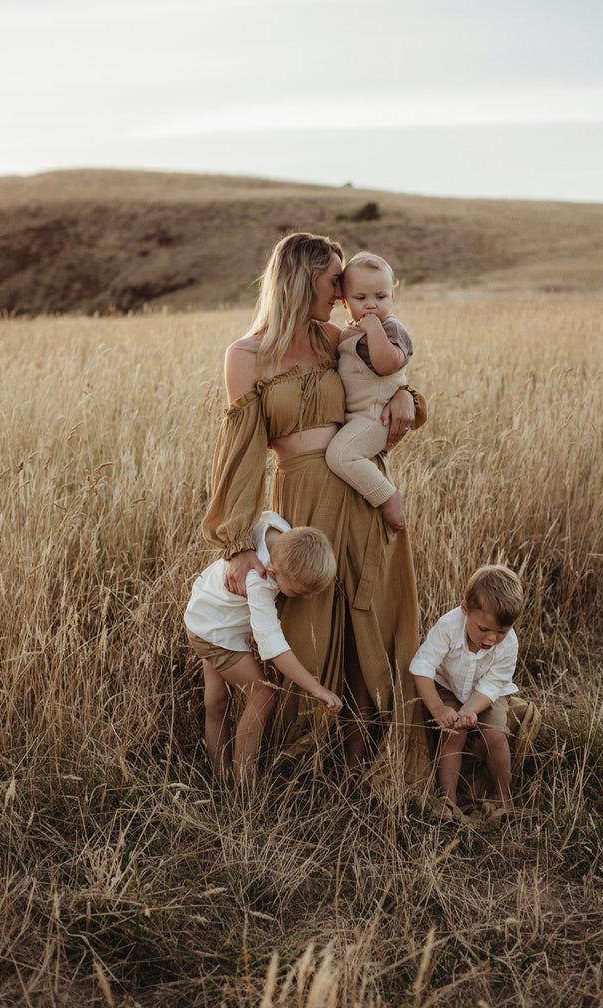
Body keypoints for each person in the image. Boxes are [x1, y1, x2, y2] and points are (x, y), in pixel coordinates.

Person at [201, 232, 432, 784]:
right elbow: (241, 457)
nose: (344, 293)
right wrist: (236, 545)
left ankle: (363, 762)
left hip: (363, 494)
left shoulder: (337, 338)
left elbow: (385, 380)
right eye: (334, 281)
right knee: (308, 625)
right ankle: (303, 762)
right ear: (303, 280)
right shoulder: (246, 356)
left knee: (368, 619)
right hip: (303, 507)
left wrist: (407, 397)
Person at [185, 511, 341, 782]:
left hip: (204, 612)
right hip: (216, 633)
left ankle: (220, 779)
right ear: (273, 572)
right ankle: (243, 787)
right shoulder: (259, 580)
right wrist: (316, 688)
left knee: (216, 700)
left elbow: (260, 515)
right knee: (263, 696)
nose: (307, 597)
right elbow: (273, 647)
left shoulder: (275, 527)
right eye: (297, 592)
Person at [409, 565, 524, 814]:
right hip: (447, 686)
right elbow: (422, 667)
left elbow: (494, 684)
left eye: (501, 632)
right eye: (483, 629)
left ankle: (503, 797)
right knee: (453, 733)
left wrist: (471, 710)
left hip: (488, 694)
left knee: (495, 735)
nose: (491, 639)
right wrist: (439, 708)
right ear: (465, 609)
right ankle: (448, 799)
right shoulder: (449, 626)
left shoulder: (509, 642)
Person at [324, 252, 412, 532]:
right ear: (345, 301)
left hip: (377, 417)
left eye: (381, 297)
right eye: (361, 299)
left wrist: (373, 329)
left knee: (340, 456)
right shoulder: (349, 331)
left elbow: (388, 365)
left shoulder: (389, 327)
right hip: (358, 416)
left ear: (392, 298)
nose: (372, 306)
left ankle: (388, 496)